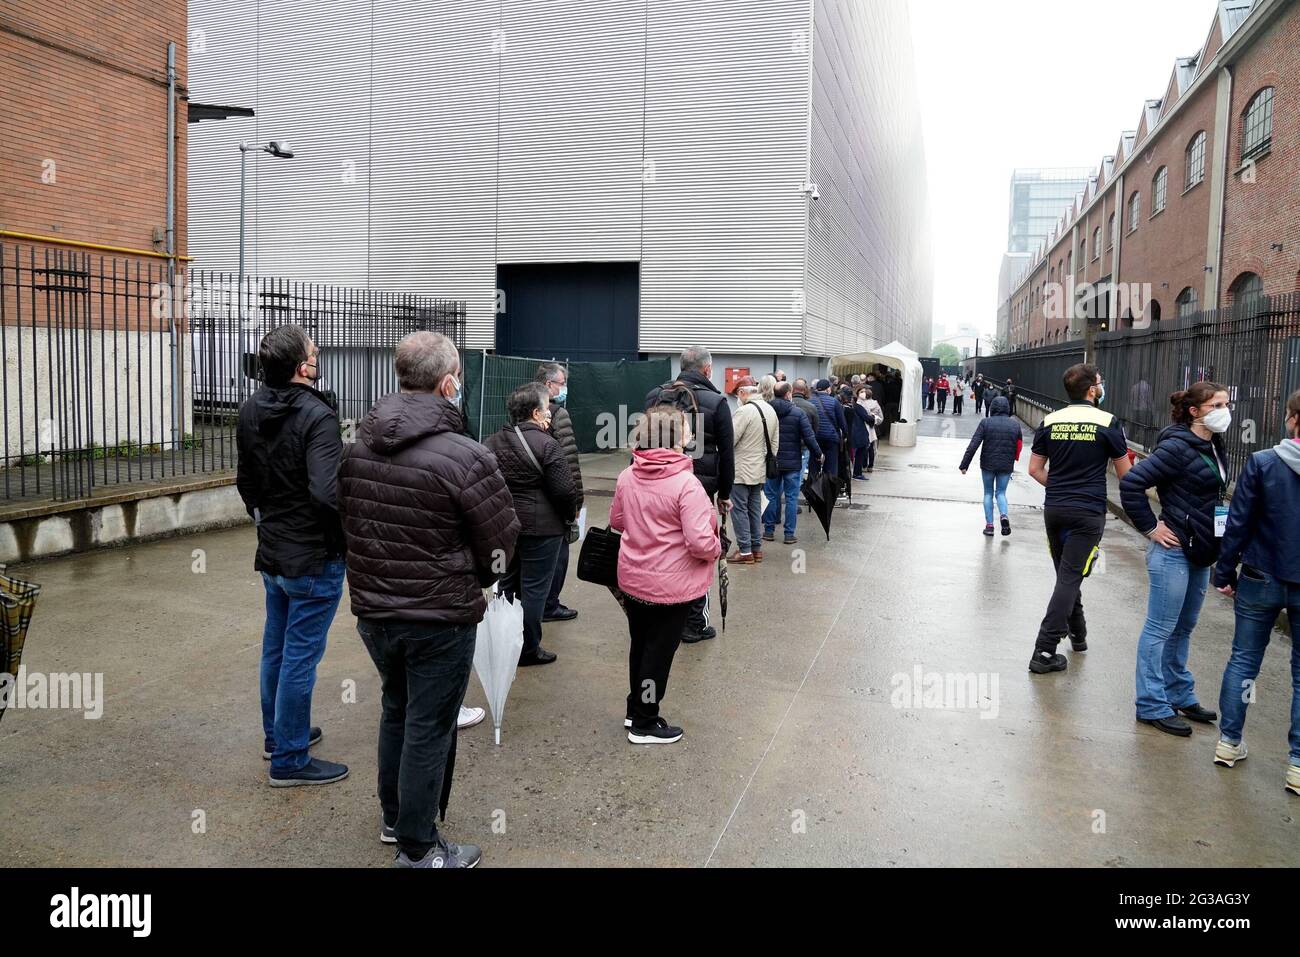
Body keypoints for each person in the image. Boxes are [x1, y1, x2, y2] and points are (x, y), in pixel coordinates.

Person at [338, 330, 519, 867]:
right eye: (458, 379)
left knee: (398, 707)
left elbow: (343, 519)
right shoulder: (466, 456)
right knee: (429, 725)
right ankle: (418, 848)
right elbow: (501, 541)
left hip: (376, 611)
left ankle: (397, 818)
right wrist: (482, 579)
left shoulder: (357, 447)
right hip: (439, 616)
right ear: (447, 384)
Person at [237, 324, 349, 788]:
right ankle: (290, 758)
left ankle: (279, 736)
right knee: (299, 656)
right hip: (312, 556)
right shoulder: (316, 416)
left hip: (275, 549)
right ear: (303, 367)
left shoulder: (249, 409)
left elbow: (246, 481)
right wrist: (341, 536)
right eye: (311, 347)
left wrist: (267, 522)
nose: (318, 349)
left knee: (277, 648)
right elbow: (326, 493)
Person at [1119, 382, 1232, 737]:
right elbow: (1131, 484)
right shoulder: (1176, 447)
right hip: (1174, 551)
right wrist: (1151, 527)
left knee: (1184, 627)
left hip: (1201, 548)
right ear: (1194, 411)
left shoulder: (1213, 444)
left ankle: (1178, 692)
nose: (1225, 410)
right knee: (1160, 628)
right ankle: (1151, 704)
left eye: (1226, 403)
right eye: (1216, 404)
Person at [610, 405, 721, 744]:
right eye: (687, 429)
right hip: (670, 586)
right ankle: (646, 722)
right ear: (676, 438)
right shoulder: (686, 485)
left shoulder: (628, 475)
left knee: (641, 647)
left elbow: (617, 522)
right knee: (658, 653)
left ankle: (635, 710)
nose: (691, 434)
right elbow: (700, 541)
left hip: (633, 579)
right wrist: (717, 548)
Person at [1210, 389, 1300, 795]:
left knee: (1243, 661)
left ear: (1292, 419)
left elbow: (1239, 522)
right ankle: (1297, 765)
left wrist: (1224, 571)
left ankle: (1229, 743)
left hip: (1261, 575)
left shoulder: (1263, 463)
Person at [1026, 363, 1131, 674]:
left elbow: (1034, 469)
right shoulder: (1108, 422)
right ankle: (1044, 651)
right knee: (1070, 578)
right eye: (1099, 382)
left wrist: (1059, 486)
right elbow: (1126, 474)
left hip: (1055, 509)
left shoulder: (1050, 420)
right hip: (1087, 511)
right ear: (1091, 390)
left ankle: (1079, 635)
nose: (1101, 386)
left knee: (1067, 576)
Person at [484, 383, 579, 666]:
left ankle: (506, 641)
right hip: (543, 529)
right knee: (535, 589)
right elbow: (564, 491)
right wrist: (569, 515)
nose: (551, 412)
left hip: (505, 527)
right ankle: (528, 649)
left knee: (508, 584)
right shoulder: (547, 444)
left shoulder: (491, 442)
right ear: (537, 413)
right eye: (548, 407)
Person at [645, 346, 734, 644]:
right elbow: (727, 453)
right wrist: (725, 492)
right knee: (697, 550)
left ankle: (659, 608)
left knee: (660, 544)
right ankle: (693, 622)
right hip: (698, 486)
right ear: (707, 369)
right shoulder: (717, 402)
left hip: (655, 485)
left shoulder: (655, 395)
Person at [536, 362, 583, 625]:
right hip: (554, 498)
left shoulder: (519, 408)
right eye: (561, 383)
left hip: (526, 499)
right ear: (548, 385)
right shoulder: (558, 414)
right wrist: (576, 500)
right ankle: (549, 605)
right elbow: (569, 461)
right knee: (558, 553)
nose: (564, 388)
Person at [763, 381, 821, 544]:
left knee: (771, 496)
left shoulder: (766, 412)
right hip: (793, 462)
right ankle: (789, 534)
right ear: (788, 394)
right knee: (791, 498)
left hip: (772, 461)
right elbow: (809, 437)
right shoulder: (798, 413)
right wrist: (818, 454)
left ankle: (768, 530)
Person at [728, 376, 778, 563]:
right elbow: (775, 443)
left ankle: (745, 550)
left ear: (742, 393)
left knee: (739, 509)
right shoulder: (770, 409)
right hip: (760, 469)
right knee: (755, 509)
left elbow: (729, 440)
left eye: (737, 395)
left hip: (741, 469)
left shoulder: (744, 411)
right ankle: (756, 549)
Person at [958, 395, 1022, 537]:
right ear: (1007, 408)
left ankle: (989, 526)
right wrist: (1013, 459)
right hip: (1006, 464)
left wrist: (964, 464)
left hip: (988, 463)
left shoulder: (986, 423)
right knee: (1001, 493)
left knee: (988, 493)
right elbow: (1018, 446)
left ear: (992, 408)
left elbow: (974, 444)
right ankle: (1004, 516)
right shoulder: (1015, 424)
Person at [808, 378, 847, 481]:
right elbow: (842, 422)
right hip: (831, 438)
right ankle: (829, 489)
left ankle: (813, 488)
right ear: (828, 389)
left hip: (815, 438)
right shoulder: (834, 402)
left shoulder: (810, 401)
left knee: (814, 464)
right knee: (831, 466)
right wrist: (845, 435)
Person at [850, 385, 884, 479]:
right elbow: (865, 417)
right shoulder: (858, 405)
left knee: (862, 452)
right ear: (857, 393)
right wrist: (873, 417)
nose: (864, 393)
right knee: (861, 453)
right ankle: (857, 473)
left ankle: (858, 472)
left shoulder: (861, 404)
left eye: (864, 391)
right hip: (861, 431)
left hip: (863, 430)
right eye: (861, 392)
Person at [791, 378, 820, 480]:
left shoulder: (786, 404)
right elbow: (815, 428)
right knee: (799, 472)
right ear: (804, 390)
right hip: (804, 444)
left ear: (792, 389)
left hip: (786, 444)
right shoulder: (811, 407)